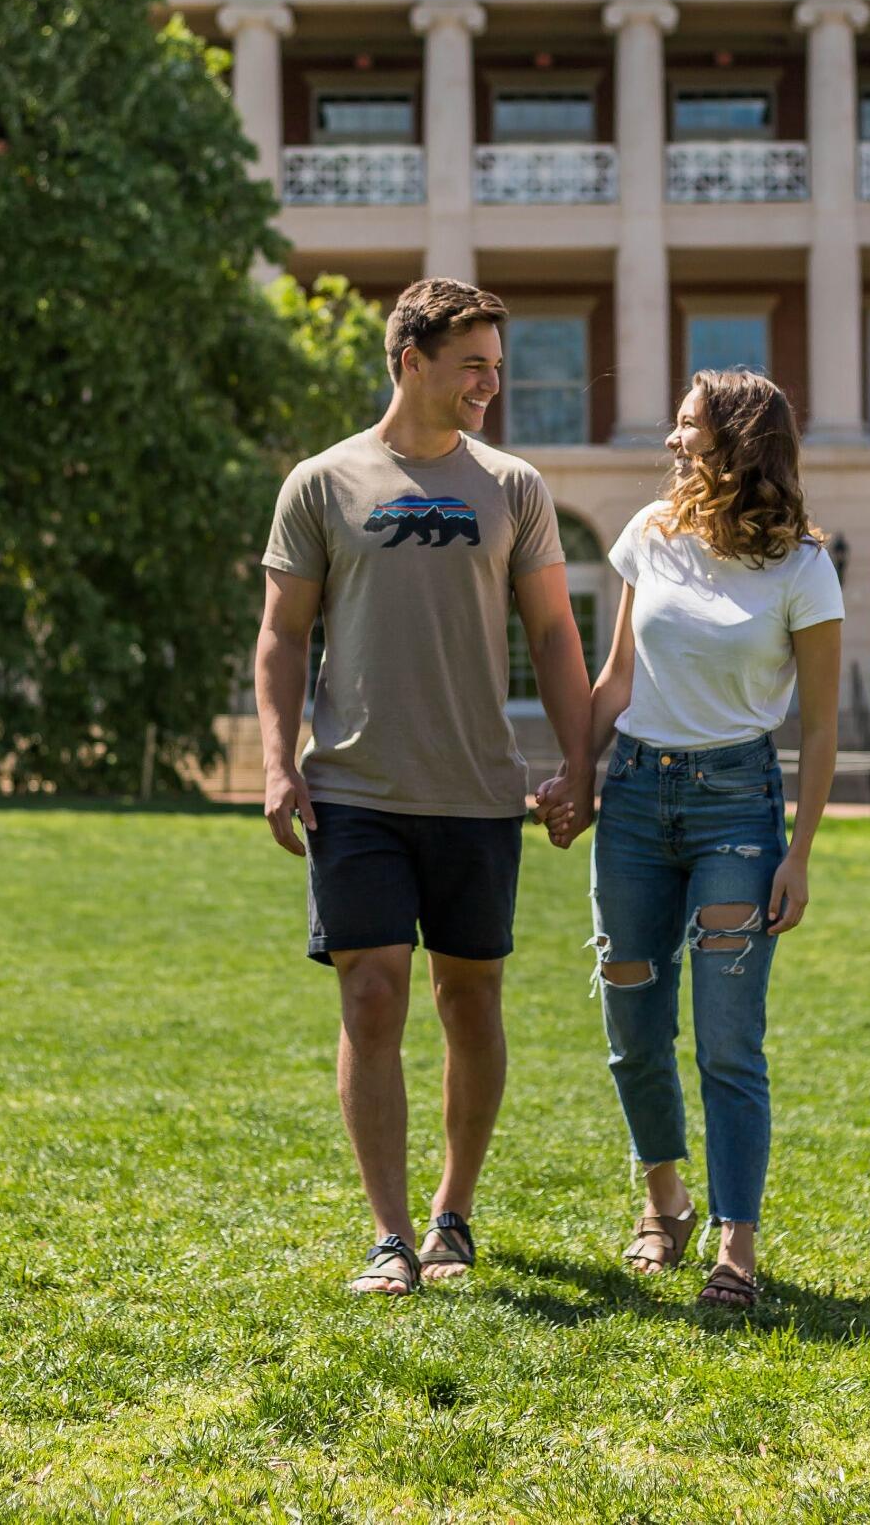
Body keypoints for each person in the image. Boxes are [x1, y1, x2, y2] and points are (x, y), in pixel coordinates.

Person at [255, 277, 595, 1297]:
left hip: (477, 791)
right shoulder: (323, 482)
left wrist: (581, 764)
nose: (490, 383)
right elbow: (281, 636)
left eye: (497, 364)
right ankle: (389, 1235)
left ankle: (455, 1209)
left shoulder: (515, 487)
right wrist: (278, 761)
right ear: (411, 360)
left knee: (470, 999)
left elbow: (553, 633)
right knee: (371, 993)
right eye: (473, 364)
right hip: (354, 786)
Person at [539, 368, 842, 1311]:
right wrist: (578, 777)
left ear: (737, 443)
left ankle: (735, 1248)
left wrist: (800, 852)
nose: (672, 442)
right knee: (631, 1022)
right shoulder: (650, 535)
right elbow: (618, 675)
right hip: (634, 798)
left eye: (687, 428)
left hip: (737, 812)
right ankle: (662, 1196)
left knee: (726, 1039)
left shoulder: (802, 567)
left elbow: (821, 730)